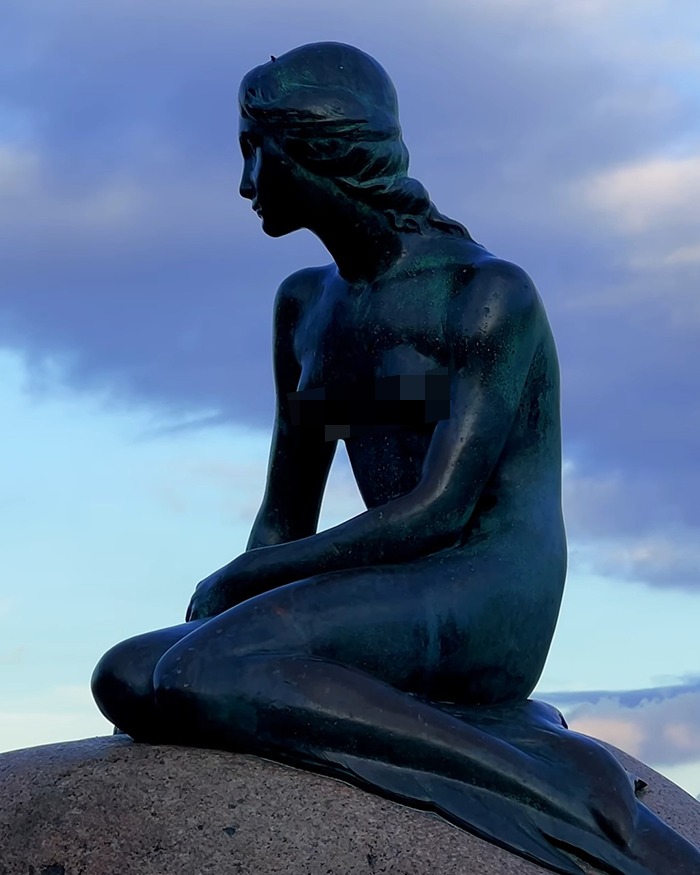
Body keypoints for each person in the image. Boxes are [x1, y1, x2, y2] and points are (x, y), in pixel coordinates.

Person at [92, 43, 700, 875]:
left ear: (321, 150)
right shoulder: (307, 305)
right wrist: (238, 588)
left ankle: (544, 777)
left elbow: (438, 510)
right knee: (129, 674)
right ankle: (484, 735)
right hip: (386, 582)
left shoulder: (484, 296)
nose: (243, 182)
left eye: (254, 150)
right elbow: (285, 511)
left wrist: (241, 585)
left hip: (483, 584)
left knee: (204, 672)